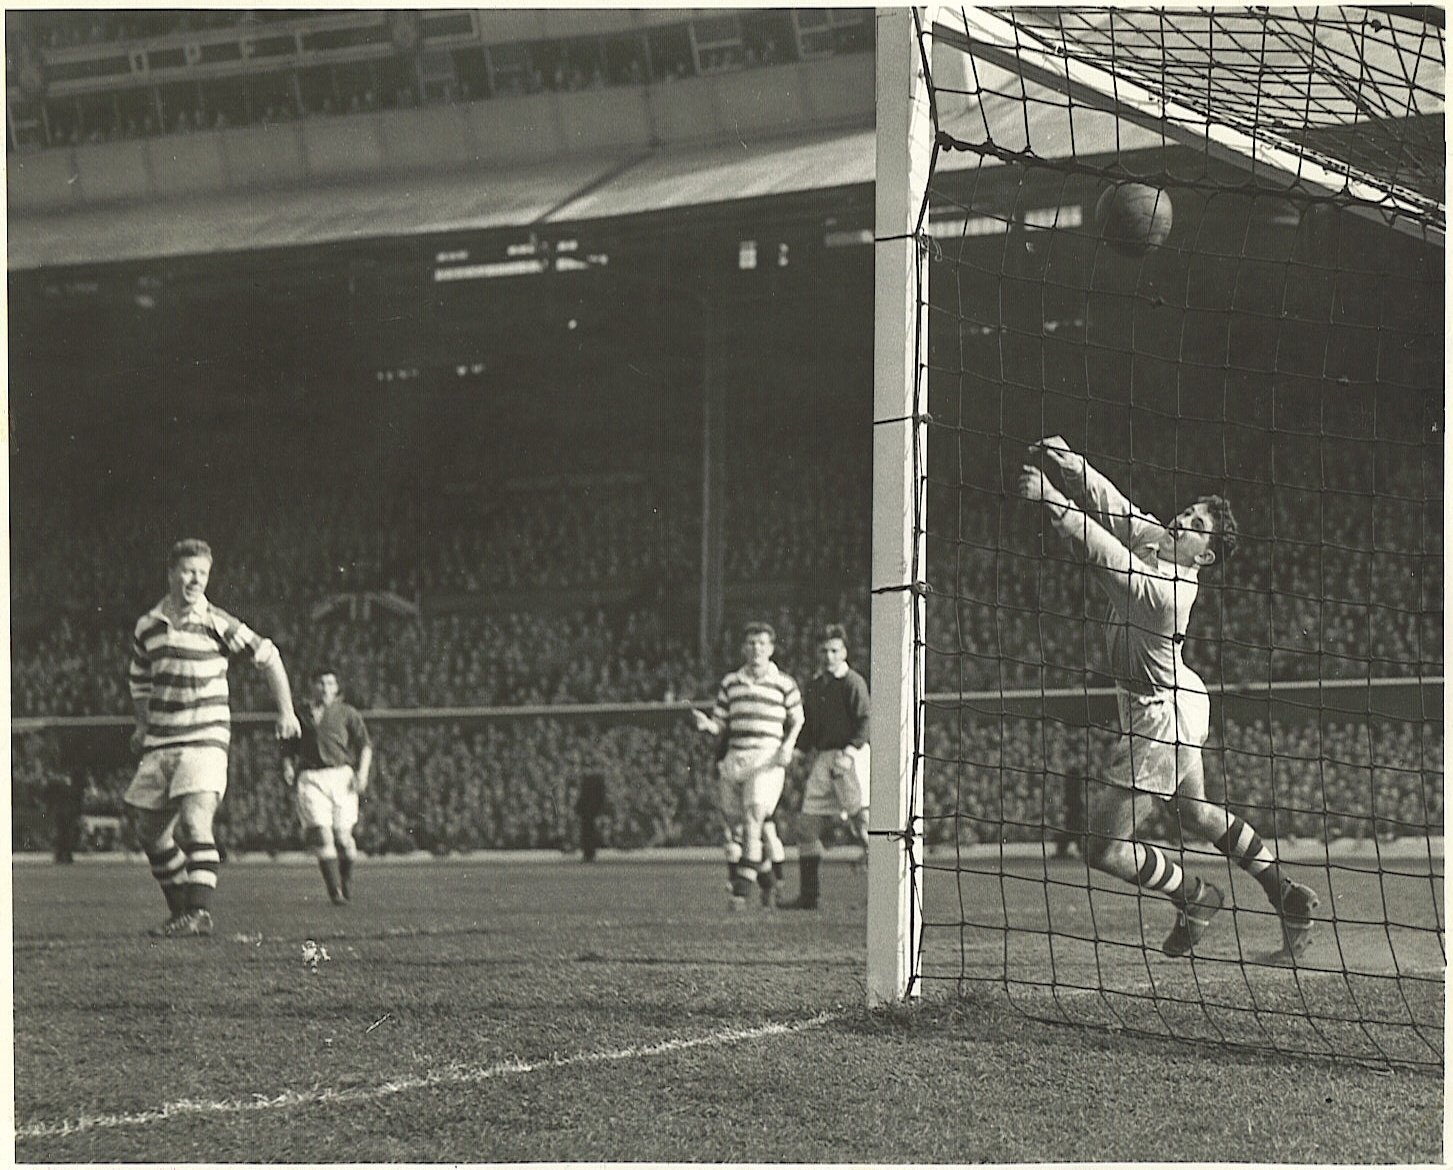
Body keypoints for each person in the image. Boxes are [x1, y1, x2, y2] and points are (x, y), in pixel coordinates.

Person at [1017, 437, 1319, 961]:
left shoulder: (1169, 593)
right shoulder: (1161, 541)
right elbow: (1117, 509)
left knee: (1102, 849)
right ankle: (1284, 893)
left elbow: (1103, 551)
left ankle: (1194, 895)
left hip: (1158, 720)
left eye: (1196, 525)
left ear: (1205, 555)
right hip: (1176, 697)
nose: (1182, 521)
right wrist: (1072, 464)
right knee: (1195, 813)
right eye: (1187, 512)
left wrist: (1053, 501)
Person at [127, 538, 300, 937]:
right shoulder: (147, 626)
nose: (196, 580)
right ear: (171, 573)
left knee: (194, 821)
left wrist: (286, 710)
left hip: (205, 738)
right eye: (189, 571)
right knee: (149, 832)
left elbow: (268, 655)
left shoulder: (217, 621)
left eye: (203, 573)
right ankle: (183, 912)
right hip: (161, 741)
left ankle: (198, 911)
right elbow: (139, 681)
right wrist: (141, 725)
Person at [691, 622, 803, 910]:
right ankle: (769, 883)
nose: (756, 649)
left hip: (766, 759)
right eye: (751, 643)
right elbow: (721, 723)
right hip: (736, 758)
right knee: (737, 828)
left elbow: (798, 719)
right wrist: (708, 726)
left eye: (762, 643)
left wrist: (788, 745)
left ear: (771, 648)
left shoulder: (784, 683)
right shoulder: (731, 682)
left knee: (754, 820)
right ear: (744, 648)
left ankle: (740, 892)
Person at [782, 624, 871, 910]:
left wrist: (849, 753)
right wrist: (797, 752)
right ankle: (809, 897)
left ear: (844, 652)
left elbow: (865, 721)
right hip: (824, 759)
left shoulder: (852, 682)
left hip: (850, 756)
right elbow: (809, 727)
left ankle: (882, 896)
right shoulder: (815, 685)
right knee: (806, 826)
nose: (829, 656)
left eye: (834, 650)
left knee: (864, 825)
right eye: (824, 650)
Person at [282, 668, 373, 904]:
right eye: (321, 683)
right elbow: (287, 746)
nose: (325, 688)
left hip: (341, 777)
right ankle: (335, 892)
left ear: (337, 687)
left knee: (343, 839)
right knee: (322, 835)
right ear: (312, 686)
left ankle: (345, 881)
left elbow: (365, 745)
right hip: (311, 778)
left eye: (330, 683)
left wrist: (362, 773)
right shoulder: (300, 714)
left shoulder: (347, 713)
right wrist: (288, 766)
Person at [576, 770, 607, 862]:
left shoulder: (590, 781)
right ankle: (588, 854)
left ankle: (589, 854)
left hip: (590, 812)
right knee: (587, 832)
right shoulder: (594, 780)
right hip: (589, 812)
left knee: (588, 832)